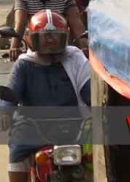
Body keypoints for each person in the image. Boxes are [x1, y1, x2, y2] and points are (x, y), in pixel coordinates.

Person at [0, 10, 90, 182]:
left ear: (65, 37)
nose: (50, 42)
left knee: (98, 155)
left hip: (74, 125)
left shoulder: (75, 57)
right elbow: (10, 94)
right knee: (17, 148)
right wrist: (4, 112)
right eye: (44, 37)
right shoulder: (24, 64)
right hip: (33, 127)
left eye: (55, 37)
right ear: (32, 38)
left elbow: (89, 90)